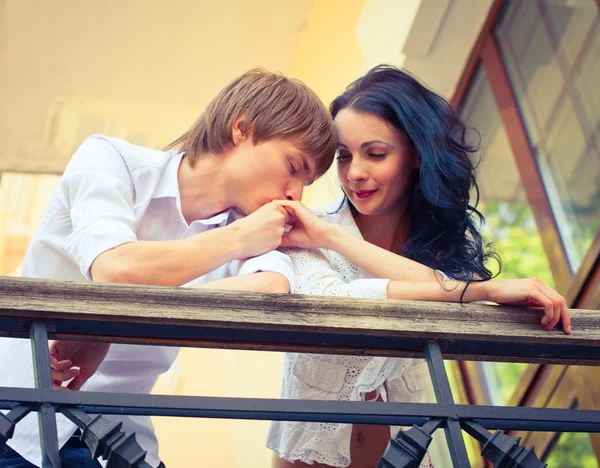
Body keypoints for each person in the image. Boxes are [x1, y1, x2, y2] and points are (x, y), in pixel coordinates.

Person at [0, 68, 337, 468]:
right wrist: (238, 240)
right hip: (14, 420)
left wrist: (111, 326)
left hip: (117, 441)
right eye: (294, 166)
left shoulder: (252, 224)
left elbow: (271, 287)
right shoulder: (110, 160)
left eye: (307, 182)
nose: (295, 194)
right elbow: (117, 269)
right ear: (242, 127)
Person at [266, 65, 570, 468]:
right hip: (309, 461)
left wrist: (474, 291)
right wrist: (330, 236)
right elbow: (338, 301)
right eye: (343, 157)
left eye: (375, 154)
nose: (355, 173)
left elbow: (454, 296)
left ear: (415, 154)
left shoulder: (445, 247)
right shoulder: (308, 236)